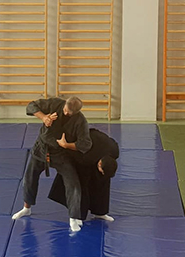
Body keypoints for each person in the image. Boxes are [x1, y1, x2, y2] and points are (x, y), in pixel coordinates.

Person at [11, 96, 92, 232]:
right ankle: (26, 208)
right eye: (65, 110)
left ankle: (73, 217)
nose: (65, 113)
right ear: (65, 104)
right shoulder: (54, 104)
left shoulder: (80, 121)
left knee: (73, 183)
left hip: (61, 154)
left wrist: (67, 145)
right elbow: (31, 105)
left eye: (69, 113)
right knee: (29, 177)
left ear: (76, 113)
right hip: (41, 149)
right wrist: (44, 117)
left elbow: (86, 144)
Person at [47, 128, 119, 221]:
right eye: (101, 170)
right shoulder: (86, 157)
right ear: (99, 163)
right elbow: (72, 152)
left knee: (103, 181)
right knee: (82, 185)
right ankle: (78, 215)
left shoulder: (114, 151)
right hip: (79, 150)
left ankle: (100, 212)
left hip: (94, 144)